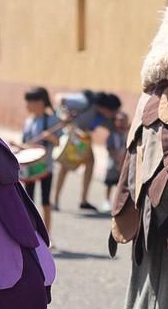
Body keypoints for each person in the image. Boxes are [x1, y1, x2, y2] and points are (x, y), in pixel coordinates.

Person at [54, 90, 119, 212]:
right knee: (64, 167)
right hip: (70, 138)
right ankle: (55, 200)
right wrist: (64, 115)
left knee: (90, 162)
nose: (114, 114)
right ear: (105, 108)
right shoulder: (85, 101)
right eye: (113, 111)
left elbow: (114, 129)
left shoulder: (104, 117)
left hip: (83, 141)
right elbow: (60, 98)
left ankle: (83, 200)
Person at [21, 86, 60, 241]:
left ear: (40, 102)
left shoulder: (51, 120)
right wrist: (18, 147)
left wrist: (50, 138)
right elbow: (26, 144)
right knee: (28, 202)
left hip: (46, 168)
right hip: (30, 169)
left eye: (30, 101)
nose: (27, 105)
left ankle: (47, 237)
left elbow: (58, 143)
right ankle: (30, 234)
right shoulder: (29, 121)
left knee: (45, 202)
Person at [103, 104, 129, 205]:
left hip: (124, 162)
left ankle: (120, 201)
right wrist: (117, 155)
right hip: (113, 162)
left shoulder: (128, 133)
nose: (121, 123)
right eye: (119, 121)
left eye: (123, 121)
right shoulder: (112, 135)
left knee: (122, 183)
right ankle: (106, 200)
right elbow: (109, 147)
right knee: (109, 182)